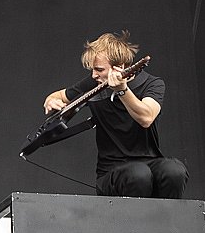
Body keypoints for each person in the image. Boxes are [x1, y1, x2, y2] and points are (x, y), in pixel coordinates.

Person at [42, 31, 187, 199]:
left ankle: (166, 215)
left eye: (99, 69)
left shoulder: (152, 84)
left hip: (149, 162)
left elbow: (146, 118)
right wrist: (50, 101)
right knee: (138, 174)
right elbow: (59, 95)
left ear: (120, 66)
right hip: (111, 171)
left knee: (174, 171)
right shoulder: (94, 83)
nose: (94, 75)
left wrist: (122, 90)